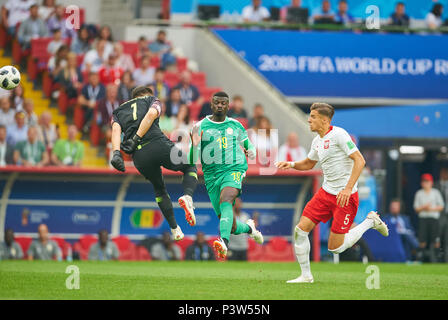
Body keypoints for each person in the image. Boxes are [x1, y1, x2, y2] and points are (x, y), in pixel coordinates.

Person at [275, 102, 388, 283]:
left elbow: (360, 161)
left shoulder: (339, 135)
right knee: (300, 230)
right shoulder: (317, 140)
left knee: (335, 248)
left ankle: (370, 222)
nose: (309, 119)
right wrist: (292, 164)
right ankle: (306, 276)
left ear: (325, 120)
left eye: (313, 116)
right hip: (326, 194)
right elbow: (309, 163)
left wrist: (348, 188)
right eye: (310, 116)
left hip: (346, 197)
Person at [110, 86, 198, 241]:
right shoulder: (152, 100)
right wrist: (136, 137)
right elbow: (151, 114)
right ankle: (188, 198)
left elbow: (116, 131)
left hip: (139, 157)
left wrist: (117, 153)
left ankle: (175, 229)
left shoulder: (118, 112)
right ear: (146, 95)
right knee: (189, 165)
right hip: (157, 144)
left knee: (159, 188)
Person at [189, 91, 263, 259]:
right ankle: (250, 228)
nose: (220, 105)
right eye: (217, 103)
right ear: (211, 104)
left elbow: (249, 145)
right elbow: (191, 160)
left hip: (234, 168)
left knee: (227, 199)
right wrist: (194, 145)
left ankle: (223, 242)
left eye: (223, 103)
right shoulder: (200, 127)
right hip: (211, 176)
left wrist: (251, 152)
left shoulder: (235, 125)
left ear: (228, 106)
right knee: (231, 225)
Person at [413, 173, 444, 263]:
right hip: (423, 219)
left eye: (427, 181)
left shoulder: (436, 193)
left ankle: (438, 260)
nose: (425, 183)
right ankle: (420, 259)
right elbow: (416, 209)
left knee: (436, 240)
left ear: (431, 183)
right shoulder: (419, 193)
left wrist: (430, 209)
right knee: (422, 240)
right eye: (424, 181)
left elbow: (441, 206)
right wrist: (424, 207)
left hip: (433, 219)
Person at [439, 167, 448, 262]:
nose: (445, 175)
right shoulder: (436, 185)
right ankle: (436, 260)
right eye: (443, 172)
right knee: (437, 239)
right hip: (439, 216)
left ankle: (446, 260)